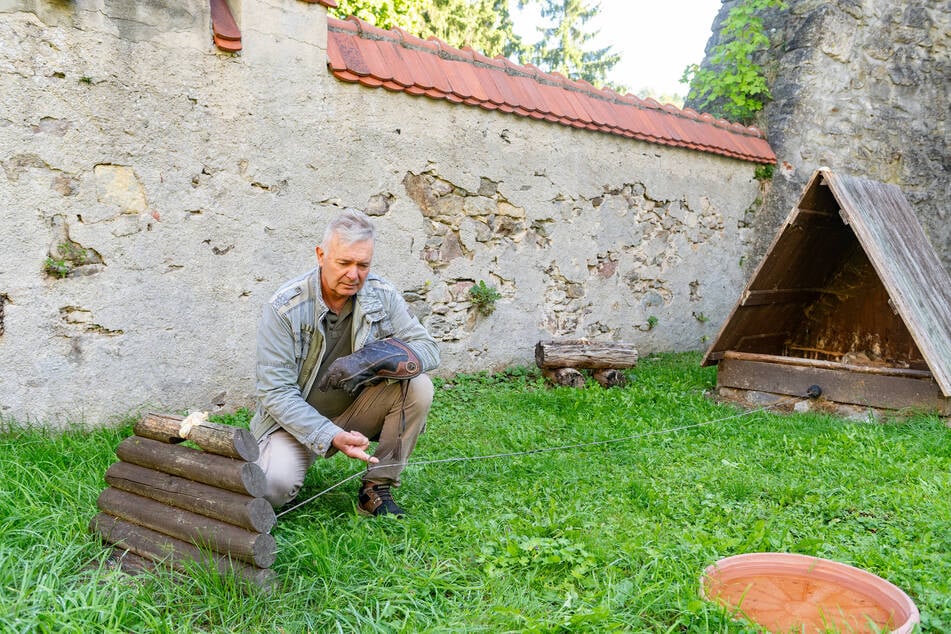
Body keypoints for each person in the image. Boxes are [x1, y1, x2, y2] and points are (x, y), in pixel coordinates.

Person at [249, 209, 440, 517]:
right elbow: (275, 393)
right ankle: (277, 459)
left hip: (356, 409)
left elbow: (428, 348)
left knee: (418, 387)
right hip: (293, 424)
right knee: (270, 488)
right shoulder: (285, 307)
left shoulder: (382, 294)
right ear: (321, 255)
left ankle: (376, 488)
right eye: (344, 263)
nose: (354, 274)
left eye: (363, 264)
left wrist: (375, 358)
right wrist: (328, 435)